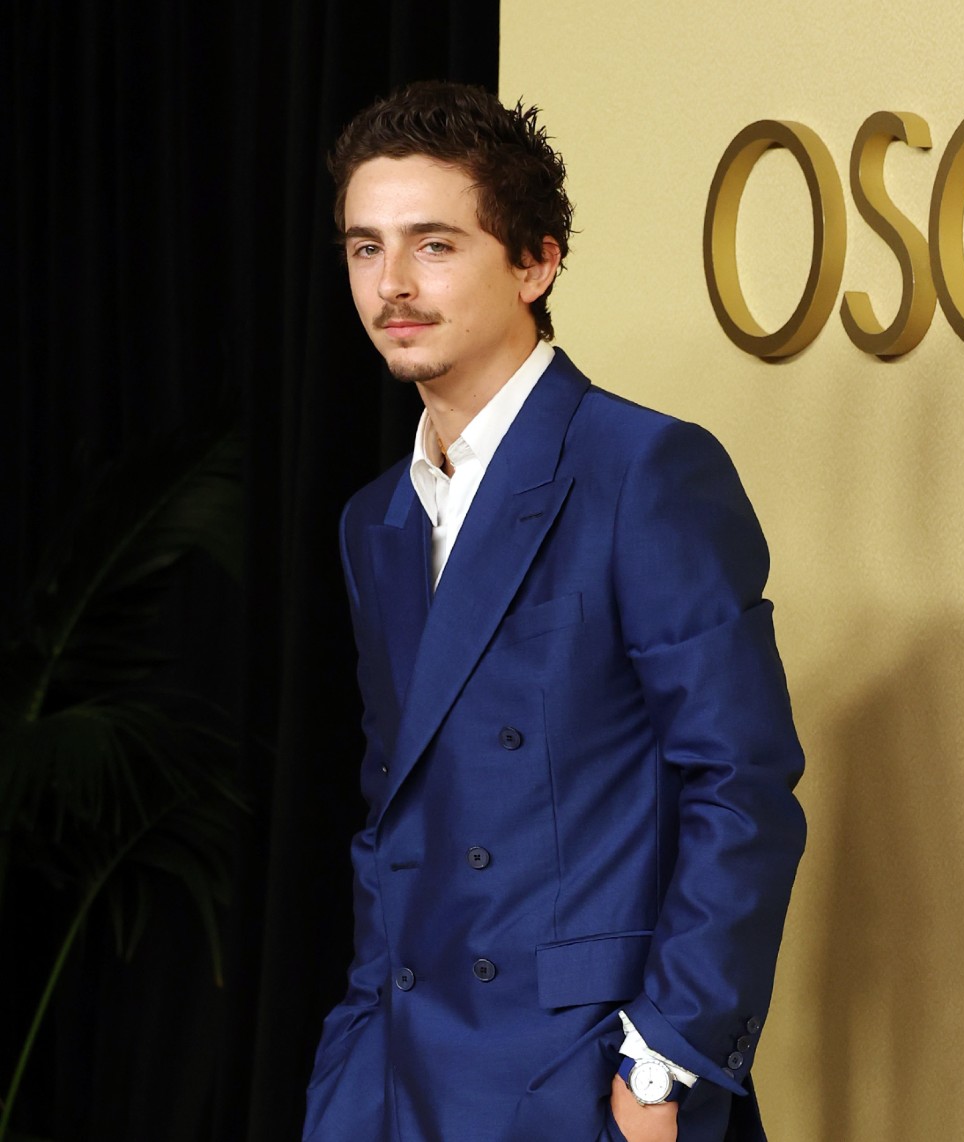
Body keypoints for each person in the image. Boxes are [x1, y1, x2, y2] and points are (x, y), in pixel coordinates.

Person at [302, 81, 807, 1142]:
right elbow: (393, 806)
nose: (391, 284)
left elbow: (742, 786)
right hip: (395, 1069)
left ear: (536, 259)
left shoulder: (645, 469)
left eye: (434, 244)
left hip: (580, 1075)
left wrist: (663, 1060)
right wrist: (354, 1045)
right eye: (364, 247)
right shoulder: (376, 519)